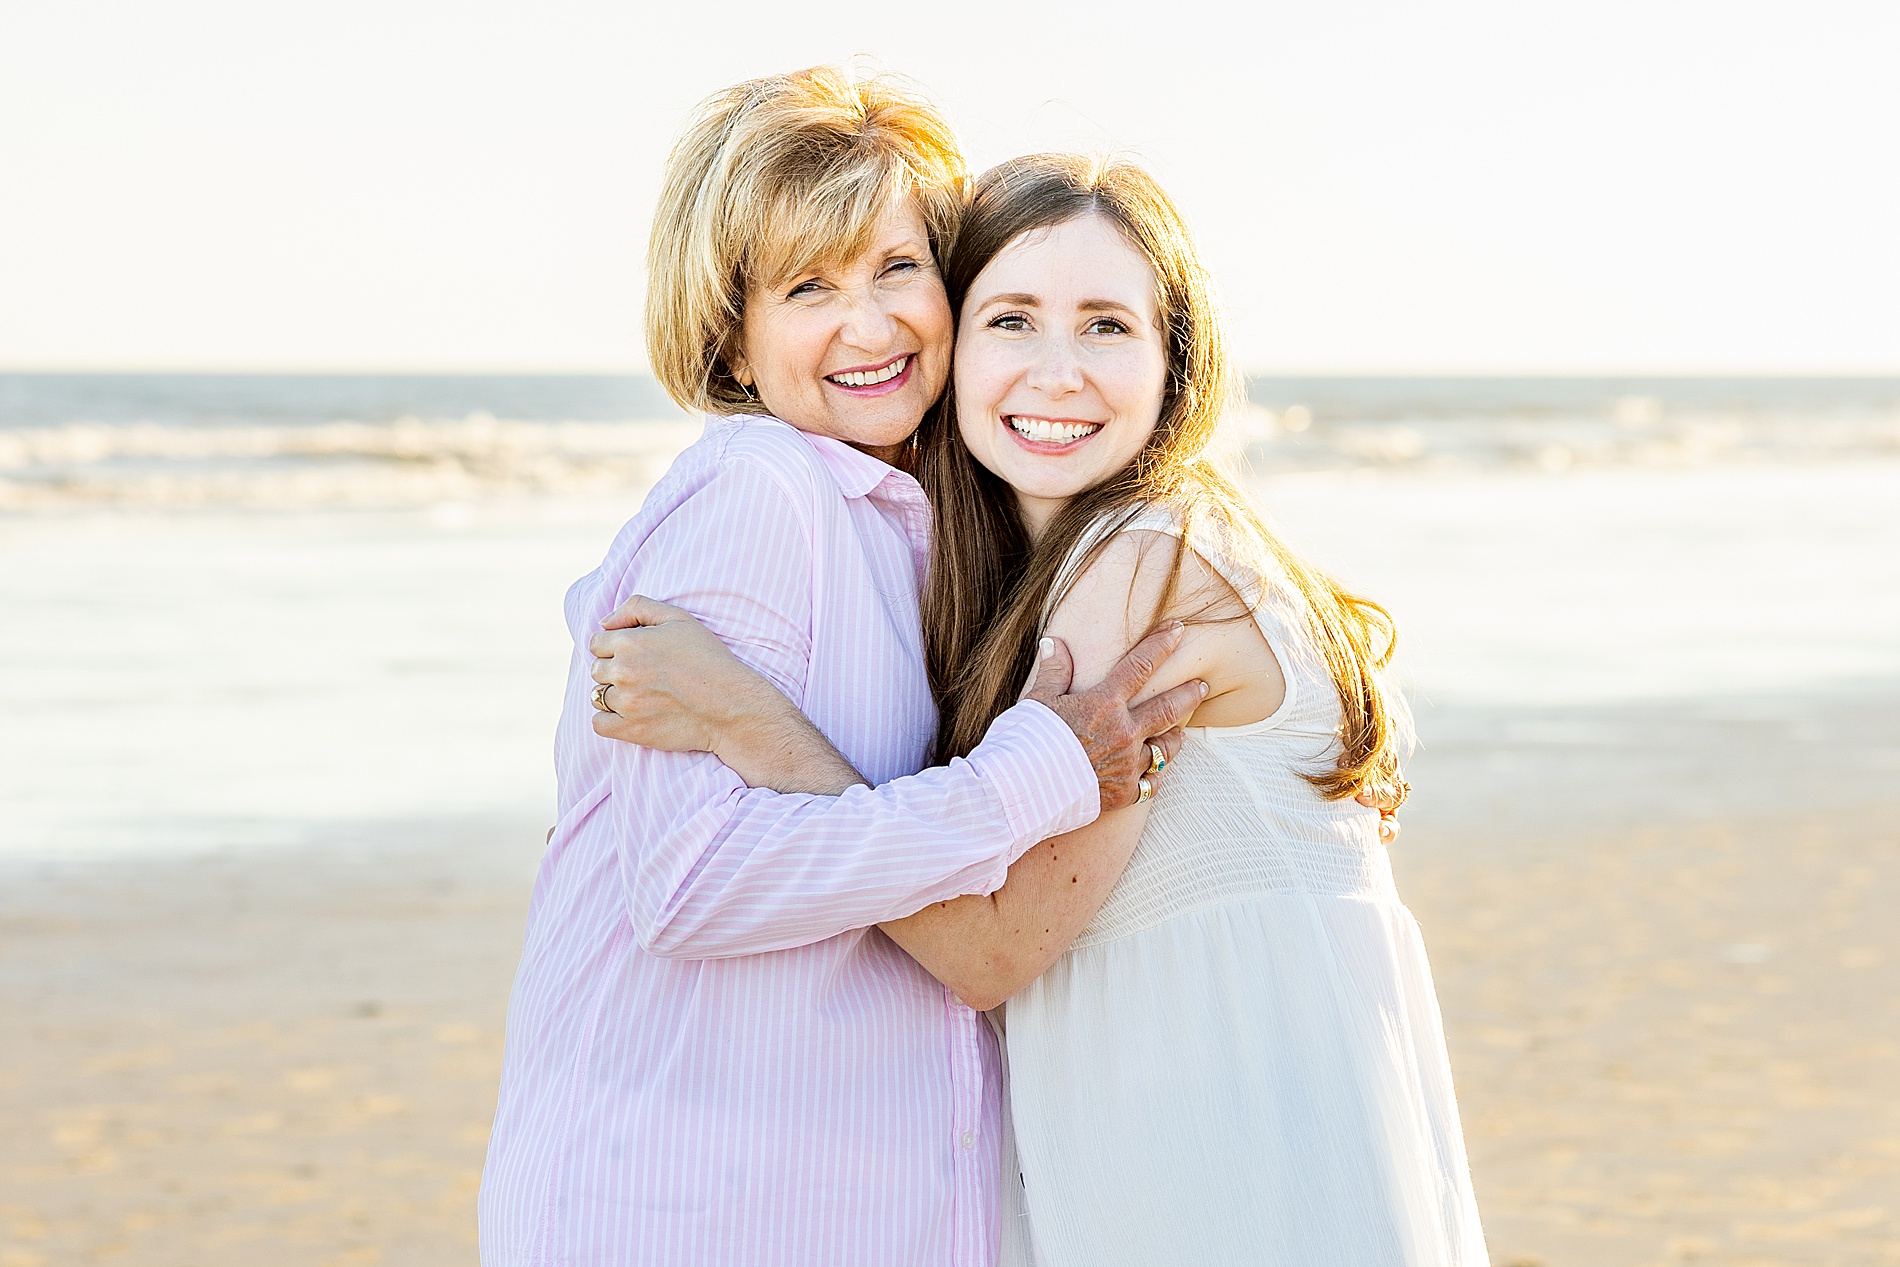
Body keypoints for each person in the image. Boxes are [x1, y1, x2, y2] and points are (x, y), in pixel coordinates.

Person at [590, 153, 1482, 1265]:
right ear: (953, 346)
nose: (1057, 373)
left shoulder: (1143, 559)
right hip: (1192, 1130)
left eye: (1107, 326)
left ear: (1173, 364)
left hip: (1228, 1161)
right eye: (1012, 319)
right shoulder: (1054, 573)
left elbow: (989, 949)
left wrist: (749, 721)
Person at [475, 69, 1211, 1267]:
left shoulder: (913, 521)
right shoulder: (757, 494)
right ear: (732, 330)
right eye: (808, 287)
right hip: (675, 1208)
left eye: (896, 269)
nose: (867, 328)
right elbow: (690, 881)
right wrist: (1038, 769)